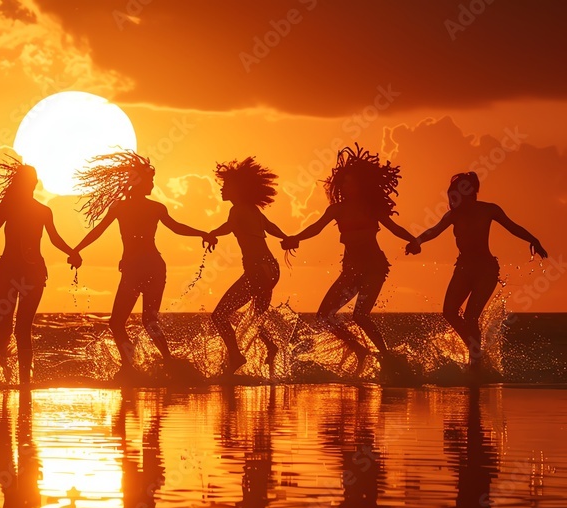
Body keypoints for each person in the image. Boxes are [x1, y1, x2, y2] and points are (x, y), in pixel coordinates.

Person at [72, 150, 216, 373]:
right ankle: (169, 364)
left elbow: (98, 231)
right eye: (150, 180)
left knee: (117, 323)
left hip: (135, 268)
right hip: (154, 266)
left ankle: (130, 367)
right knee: (149, 321)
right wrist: (203, 234)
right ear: (138, 182)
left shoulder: (122, 207)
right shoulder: (154, 208)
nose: (152, 185)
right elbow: (177, 228)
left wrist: (76, 250)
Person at [281, 145, 417, 365]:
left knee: (360, 316)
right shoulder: (336, 209)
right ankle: (359, 350)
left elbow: (394, 228)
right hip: (351, 270)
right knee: (324, 316)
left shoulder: (372, 208)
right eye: (343, 181)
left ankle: (386, 357)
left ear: (360, 185)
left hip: (374, 267)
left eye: (349, 181)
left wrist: (414, 240)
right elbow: (316, 228)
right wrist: (295, 238)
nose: (345, 185)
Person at [0, 159, 78, 385]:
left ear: (35, 183)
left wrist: (72, 253)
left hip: (34, 273)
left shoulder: (43, 211)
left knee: (23, 327)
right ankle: (4, 370)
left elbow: (55, 239)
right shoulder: (9, 208)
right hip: (9, 271)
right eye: (25, 181)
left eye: (31, 181)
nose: (29, 184)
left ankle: (24, 380)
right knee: (3, 322)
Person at [407, 172, 547, 369]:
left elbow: (512, 227)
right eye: (451, 194)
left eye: (457, 193)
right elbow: (434, 230)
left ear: (470, 191)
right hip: (463, 267)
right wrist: (417, 241)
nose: (453, 198)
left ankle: (475, 362)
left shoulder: (489, 210)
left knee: (471, 317)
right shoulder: (453, 215)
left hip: (486, 269)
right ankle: (476, 354)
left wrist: (534, 239)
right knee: (449, 312)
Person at [208, 157, 291, 374]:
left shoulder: (237, 210)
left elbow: (228, 227)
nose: (222, 189)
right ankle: (271, 346)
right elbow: (270, 226)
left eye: (226, 186)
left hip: (257, 270)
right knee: (254, 317)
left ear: (237, 188)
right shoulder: (252, 209)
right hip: (271, 269)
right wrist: (286, 238)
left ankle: (235, 356)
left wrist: (210, 234)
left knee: (218, 316)